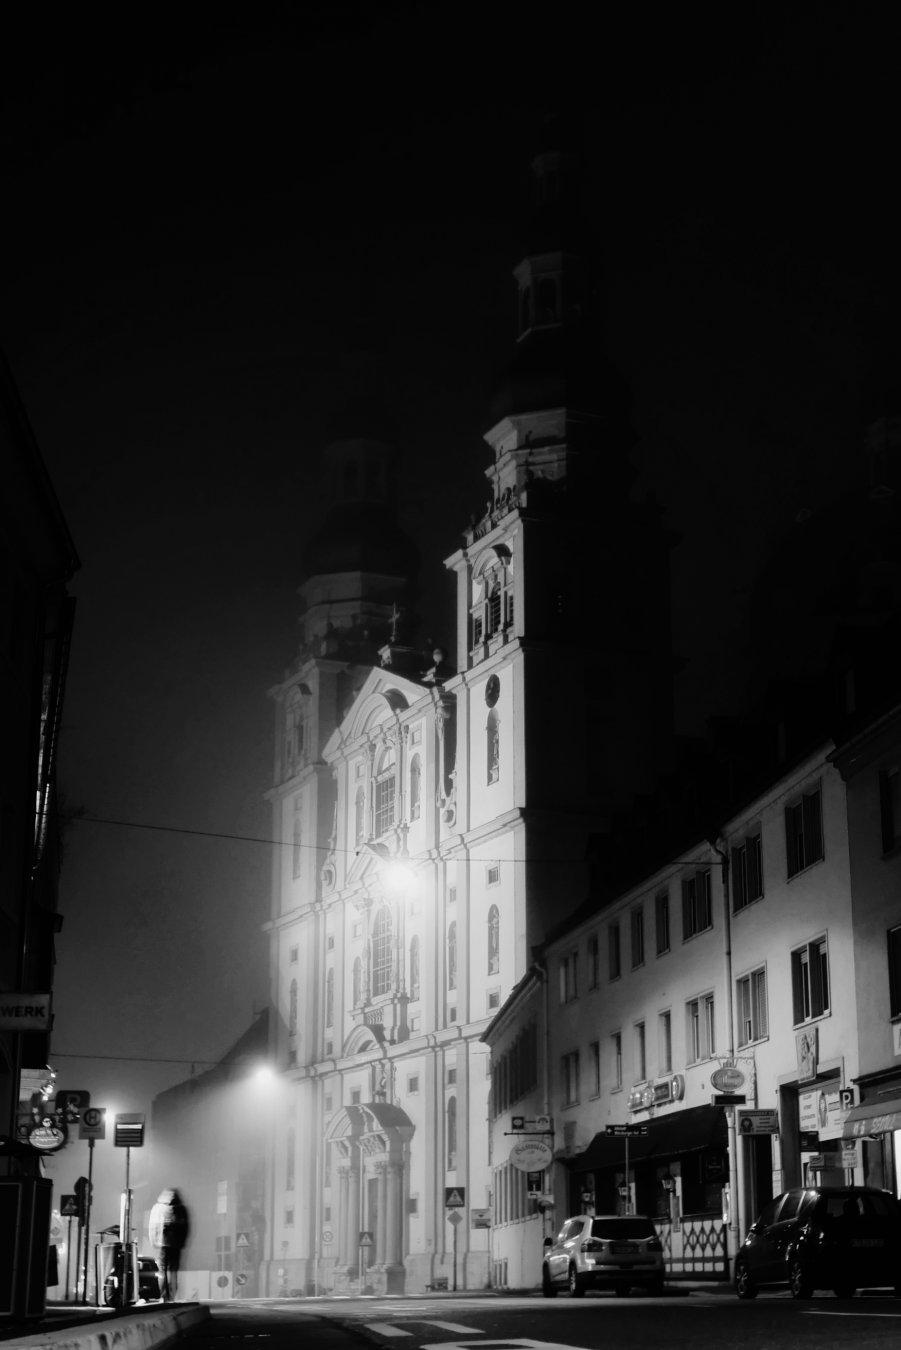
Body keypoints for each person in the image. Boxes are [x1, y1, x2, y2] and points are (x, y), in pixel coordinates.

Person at [148, 1188, 189, 1301]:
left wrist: (153, 1240)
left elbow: (152, 1227)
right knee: (174, 1271)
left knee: (162, 1270)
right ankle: (173, 1296)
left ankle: (164, 1296)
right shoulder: (181, 1209)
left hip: (162, 1244)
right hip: (176, 1245)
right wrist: (182, 1242)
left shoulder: (157, 1208)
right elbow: (185, 1228)